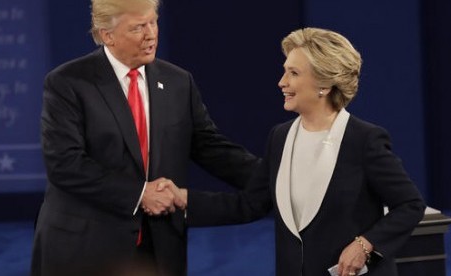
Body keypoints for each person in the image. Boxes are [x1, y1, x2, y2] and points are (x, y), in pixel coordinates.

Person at [171, 27, 426, 276]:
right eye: (285, 72)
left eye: (293, 73)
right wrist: (184, 199)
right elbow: (250, 204)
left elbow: (410, 204)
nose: (282, 82)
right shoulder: (280, 137)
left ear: (324, 84)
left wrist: (364, 245)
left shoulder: (364, 139)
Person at [30, 0, 259, 275]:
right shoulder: (68, 82)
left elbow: (209, 147)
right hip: (86, 247)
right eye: (138, 27)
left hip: (158, 248)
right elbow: (64, 164)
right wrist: (140, 194)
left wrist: (272, 175)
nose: (151, 34)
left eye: (153, 22)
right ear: (107, 35)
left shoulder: (177, 82)